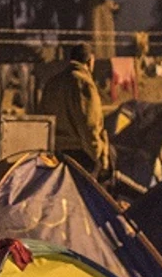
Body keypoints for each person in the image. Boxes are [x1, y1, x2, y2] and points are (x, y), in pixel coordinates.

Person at [38, 43, 110, 177]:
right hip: (80, 155)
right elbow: (90, 125)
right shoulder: (84, 83)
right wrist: (98, 155)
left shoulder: (53, 82)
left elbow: (42, 118)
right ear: (90, 61)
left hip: (55, 154)